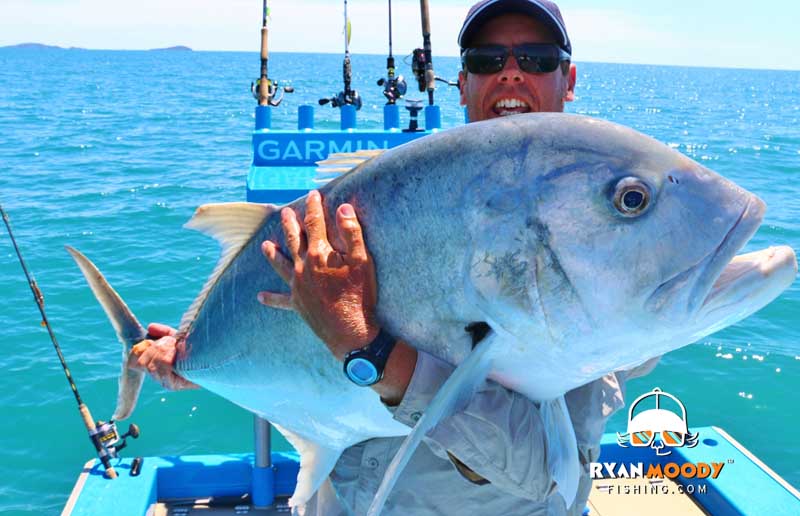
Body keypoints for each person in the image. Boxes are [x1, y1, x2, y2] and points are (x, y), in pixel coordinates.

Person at [132, 1, 659, 514]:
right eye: (486, 60)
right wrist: (190, 359)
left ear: (568, 80)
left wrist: (369, 348)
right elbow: (275, 333)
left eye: (538, 59)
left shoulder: (590, 241)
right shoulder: (392, 196)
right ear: (463, 83)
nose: (512, 75)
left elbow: (553, 474)